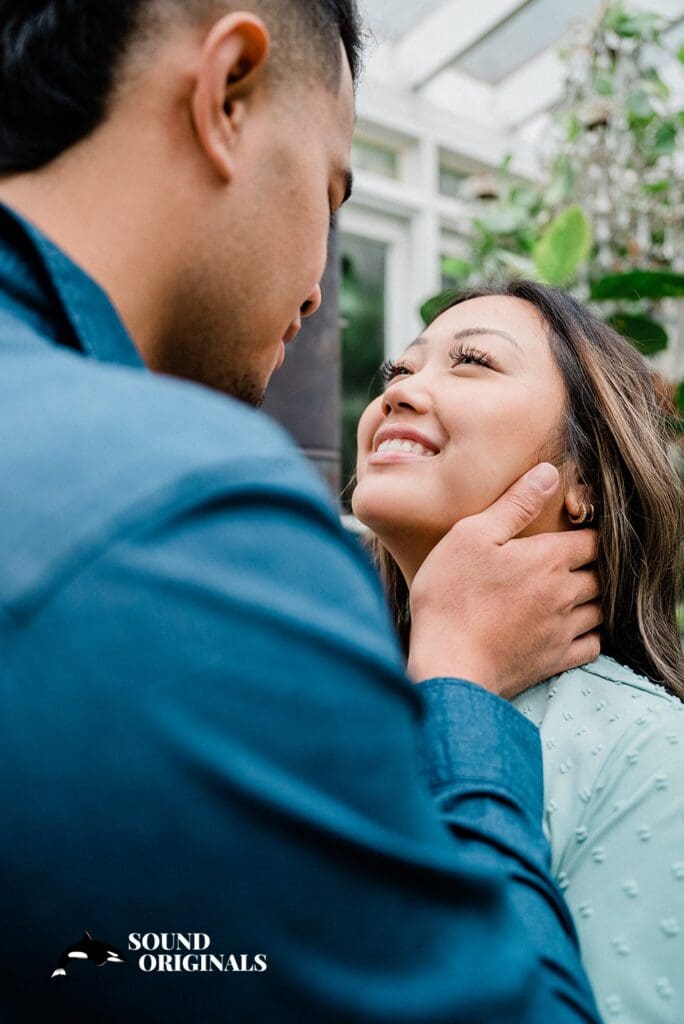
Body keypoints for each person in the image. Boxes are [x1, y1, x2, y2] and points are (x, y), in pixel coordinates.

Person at [0, 3, 604, 1021]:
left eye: (472, 361)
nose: (322, 291)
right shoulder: (185, 521)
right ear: (229, 91)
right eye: (331, 189)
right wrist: (461, 687)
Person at [353, 279, 684, 1024]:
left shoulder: (656, 753)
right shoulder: (326, 715)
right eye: (399, 372)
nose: (400, 394)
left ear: (585, 482)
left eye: (471, 361)